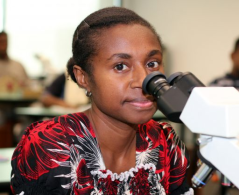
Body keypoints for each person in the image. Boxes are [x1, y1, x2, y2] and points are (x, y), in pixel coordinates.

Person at [10, 7, 193, 195]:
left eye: (152, 63)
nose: (143, 80)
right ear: (83, 78)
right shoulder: (50, 146)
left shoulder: (165, 142)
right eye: (120, 66)